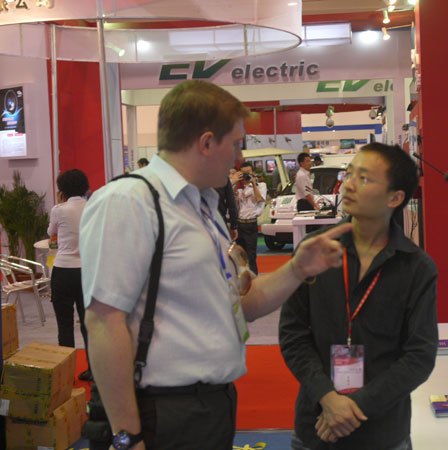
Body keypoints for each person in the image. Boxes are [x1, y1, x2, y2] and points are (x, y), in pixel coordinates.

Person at [80, 79, 353, 450]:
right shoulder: (130, 201)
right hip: (160, 413)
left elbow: (242, 301)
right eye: (236, 143)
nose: (239, 157)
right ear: (206, 143)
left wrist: (297, 269)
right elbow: (103, 321)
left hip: (211, 406)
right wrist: (128, 438)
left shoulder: (204, 206)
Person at [279, 143, 439, 450]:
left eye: (363, 178)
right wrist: (327, 398)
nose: (348, 185)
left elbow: (419, 356)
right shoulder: (314, 250)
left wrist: (353, 408)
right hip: (316, 425)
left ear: (395, 198)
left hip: (383, 432)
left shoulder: (416, 268)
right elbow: (292, 334)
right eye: (349, 174)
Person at [47, 169, 92, 381]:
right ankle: (93, 370)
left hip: (63, 271)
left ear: (62, 189)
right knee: (88, 324)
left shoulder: (59, 209)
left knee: (64, 324)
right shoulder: (93, 206)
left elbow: (51, 232)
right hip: (87, 272)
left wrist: (59, 203)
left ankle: (67, 376)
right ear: (85, 187)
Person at [234, 161, 267, 274]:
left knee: (251, 256)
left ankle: (253, 281)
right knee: (240, 257)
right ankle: (243, 281)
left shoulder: (261, 185)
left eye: (248, 172)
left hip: (251, 224)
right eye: (243, 173)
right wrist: (235, 183)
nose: (246, 175)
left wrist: (253, 183)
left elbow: (259, 199)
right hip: (239, 225)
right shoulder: (240, 189)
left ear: (253, 172)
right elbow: (232, 202)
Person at [216, 168, 239, 240]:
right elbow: (231, 202)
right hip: (220, 218)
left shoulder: (195, 176)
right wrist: (234, 226)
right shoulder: (223, 176)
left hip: (201, 219)